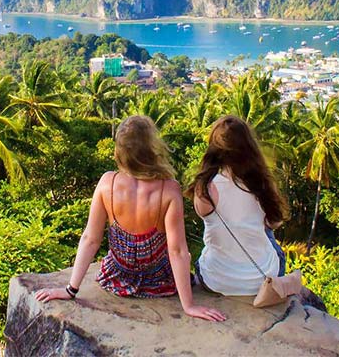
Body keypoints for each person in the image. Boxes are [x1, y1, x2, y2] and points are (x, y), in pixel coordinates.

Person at [35, 115, 225, 322]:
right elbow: (177, 250)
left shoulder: (107, 183)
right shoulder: (168, 189)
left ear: (120, 151)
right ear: (152, 148)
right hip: (159, 282)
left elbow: (91, 238)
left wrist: (71, 289)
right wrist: (188, 305)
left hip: (116, 277)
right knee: (188, 257)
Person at [187, 115, 291, 296]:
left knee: (209, 245)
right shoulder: (262, 184)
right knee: (268, 233)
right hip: (260, 281)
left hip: (216, 280)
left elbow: (203, 213)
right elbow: (274, 222)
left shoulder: (205, 188)